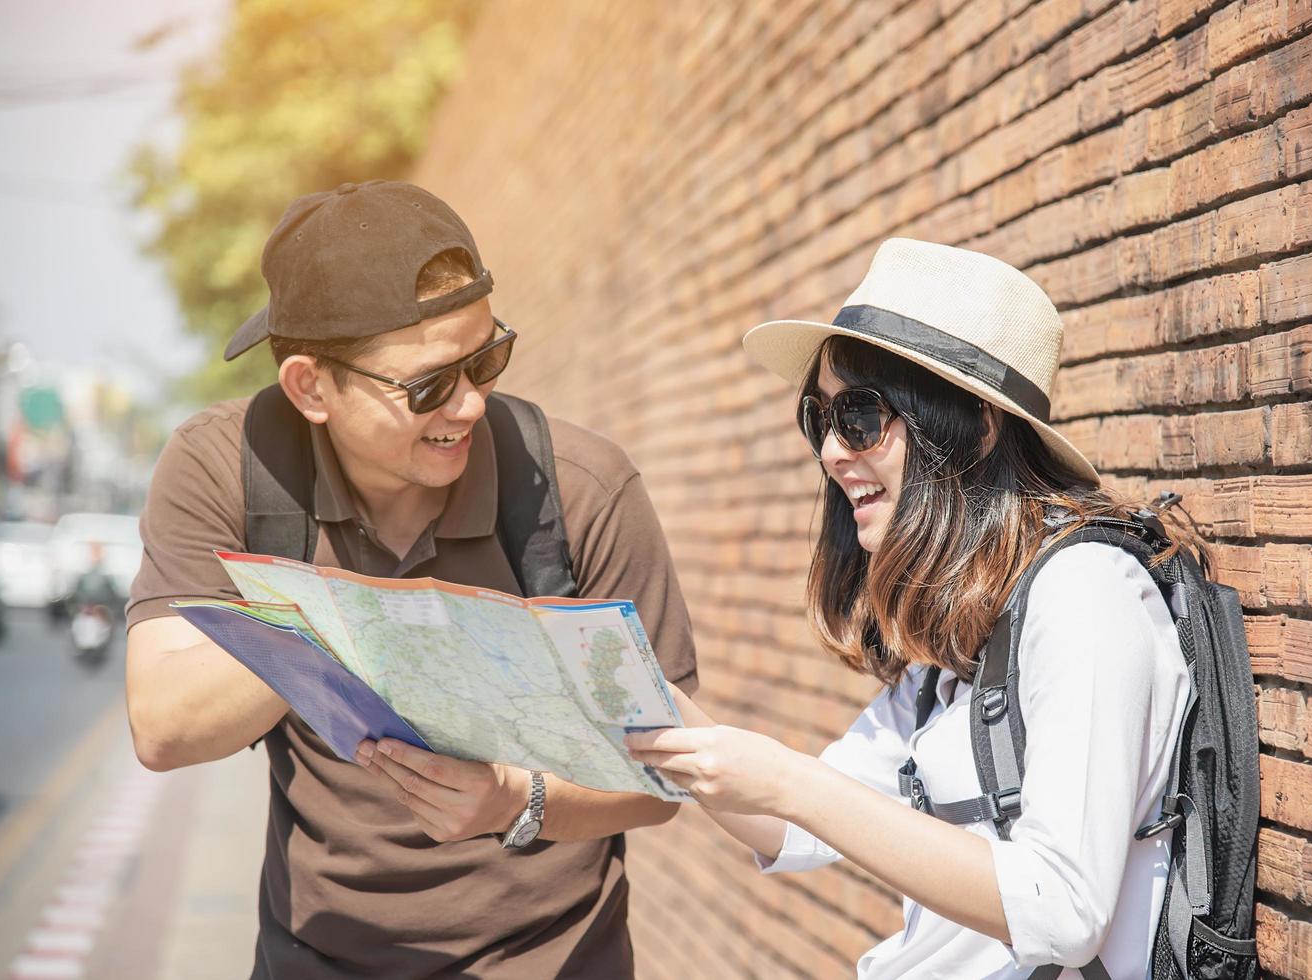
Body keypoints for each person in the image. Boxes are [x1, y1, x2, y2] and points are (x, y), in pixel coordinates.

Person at [126, 180, 697, 978]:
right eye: (428, 385)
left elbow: (671, 771)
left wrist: (518, 801)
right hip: (316, 955)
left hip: (554, 958)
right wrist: (336, 618)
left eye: (486, 358)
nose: (467, 406)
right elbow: (164, 726)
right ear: (310, 388)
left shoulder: (579, 488)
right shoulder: (227, 470)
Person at [627, 239, 1195, 977]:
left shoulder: (1084, 595)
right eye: (819, 420)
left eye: (860, 416)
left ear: (979, 425)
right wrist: (641, 697)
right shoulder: (965, 642)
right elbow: (789, 824)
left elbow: (1061, 909)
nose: (832, 451)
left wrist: (791, 783)